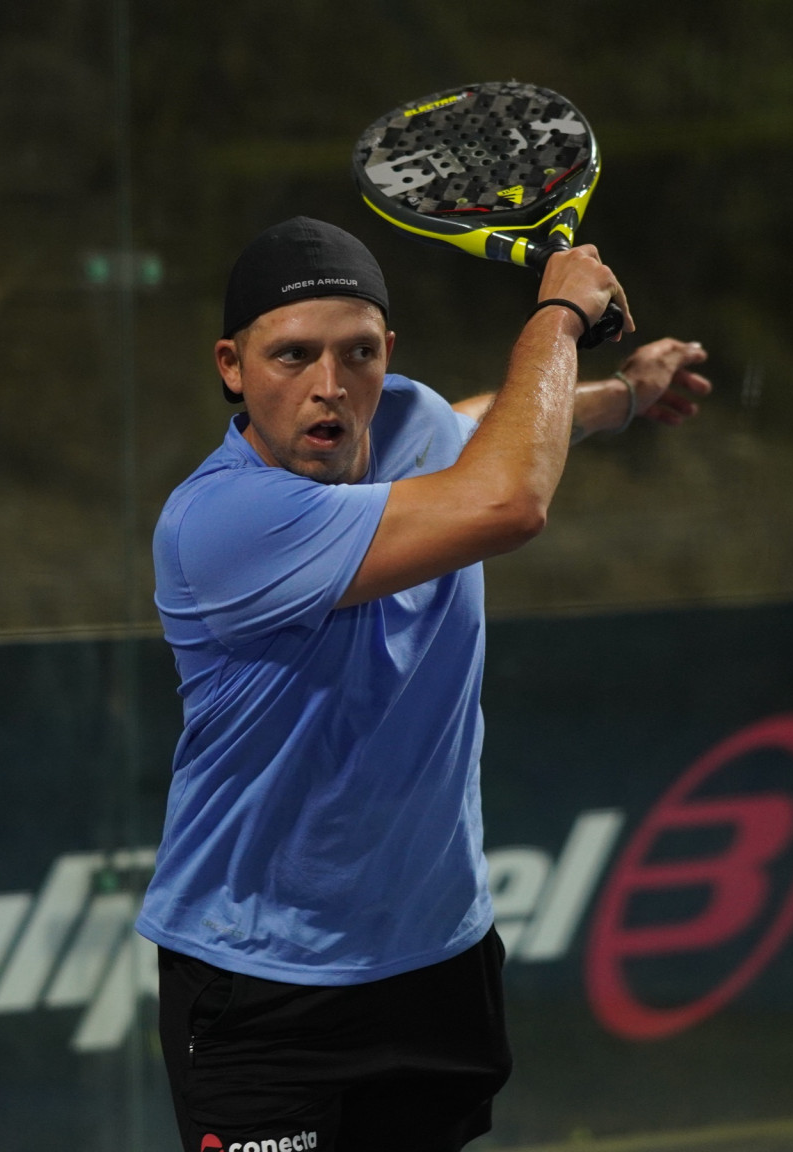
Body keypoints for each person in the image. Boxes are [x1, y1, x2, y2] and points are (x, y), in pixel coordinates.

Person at [134, 217, 711, 1151]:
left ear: (388, 355)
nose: (329, 385)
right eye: (292, 355)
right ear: (231, 367)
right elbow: (505, 497)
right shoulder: (223, 521)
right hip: (262, 982)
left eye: (358, 354)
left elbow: (476, 425)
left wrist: (623, 397)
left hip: (437, 960)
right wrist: (559, 317)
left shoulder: (408, 422)